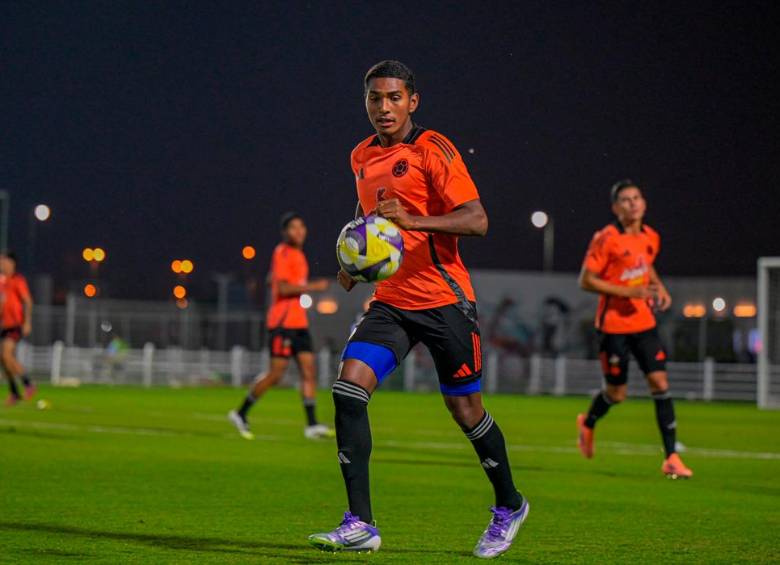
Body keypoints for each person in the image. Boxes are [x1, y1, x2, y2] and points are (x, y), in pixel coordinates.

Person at [308, 61, 528, 559]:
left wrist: (414, 220)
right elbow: (371, 215)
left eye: (393, 97)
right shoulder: (360, 155)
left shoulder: (434, 149)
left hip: (445, 301)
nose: (383, 107)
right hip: (391, 302)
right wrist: (356, 260)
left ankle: (509, 504)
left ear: (413, 101)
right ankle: (360, 523)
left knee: (466, 411)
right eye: (374, 98)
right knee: (348, 389)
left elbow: (477, 220)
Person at [575, 180, 693, 479]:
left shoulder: (651, 236)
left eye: (637, 197)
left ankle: (671, 458)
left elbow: (646, 265)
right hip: (613, 327)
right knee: (617, 394)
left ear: (644, 203)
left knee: (660, 383)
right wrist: (628, 292)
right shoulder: (606, 238)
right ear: (616, 207)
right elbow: (586, 280)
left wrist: (659, 287)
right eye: (626, 200)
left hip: (644, 324)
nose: (633, 203)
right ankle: (588, 423)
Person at [228, 213, 333, 440]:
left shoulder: (298, 255)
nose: (299, 231)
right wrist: (314, 287)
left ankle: (312, 424)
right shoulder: (283, 252)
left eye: (302, 226)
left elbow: (275, 280)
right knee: (276, 374)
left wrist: (274, 279)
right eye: (293, 227)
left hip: (299, 322)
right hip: (283, 323)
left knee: (309, 370)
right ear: (285, 232)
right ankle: (240, 412)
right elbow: (284, 288)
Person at [0, 251, 34, 405]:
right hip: (4, 325)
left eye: (4, 262)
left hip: (15, 325)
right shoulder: (2, 281)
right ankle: (14, 392)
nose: (2, 264)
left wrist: (27, 322)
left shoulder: (17, 280)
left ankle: (28, 383)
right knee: (3, 360)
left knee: (6, 355)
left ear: (12, 264)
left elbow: (27, 301)